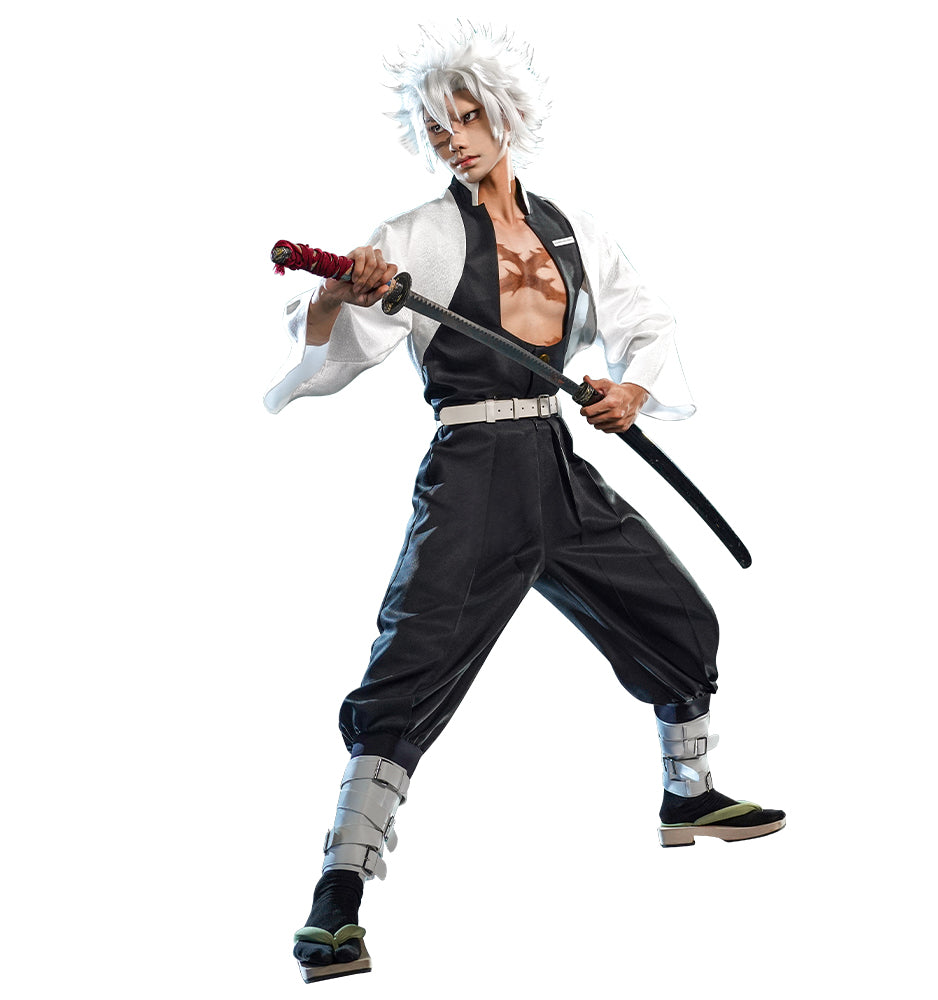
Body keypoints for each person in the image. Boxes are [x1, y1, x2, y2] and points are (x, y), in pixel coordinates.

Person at [265, 24, 784, 983]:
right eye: (437, 128)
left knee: (677, 614)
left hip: (555, 461)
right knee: (411, 663)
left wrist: (631, 390)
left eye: (467, 118)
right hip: (472, 474)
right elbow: (329, 339)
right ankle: (337, 896)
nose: (454, 139)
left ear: (504, 117)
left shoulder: (568, 230)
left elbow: (644, 319)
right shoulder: (417, 236)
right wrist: (341, 290)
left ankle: (689, 794)